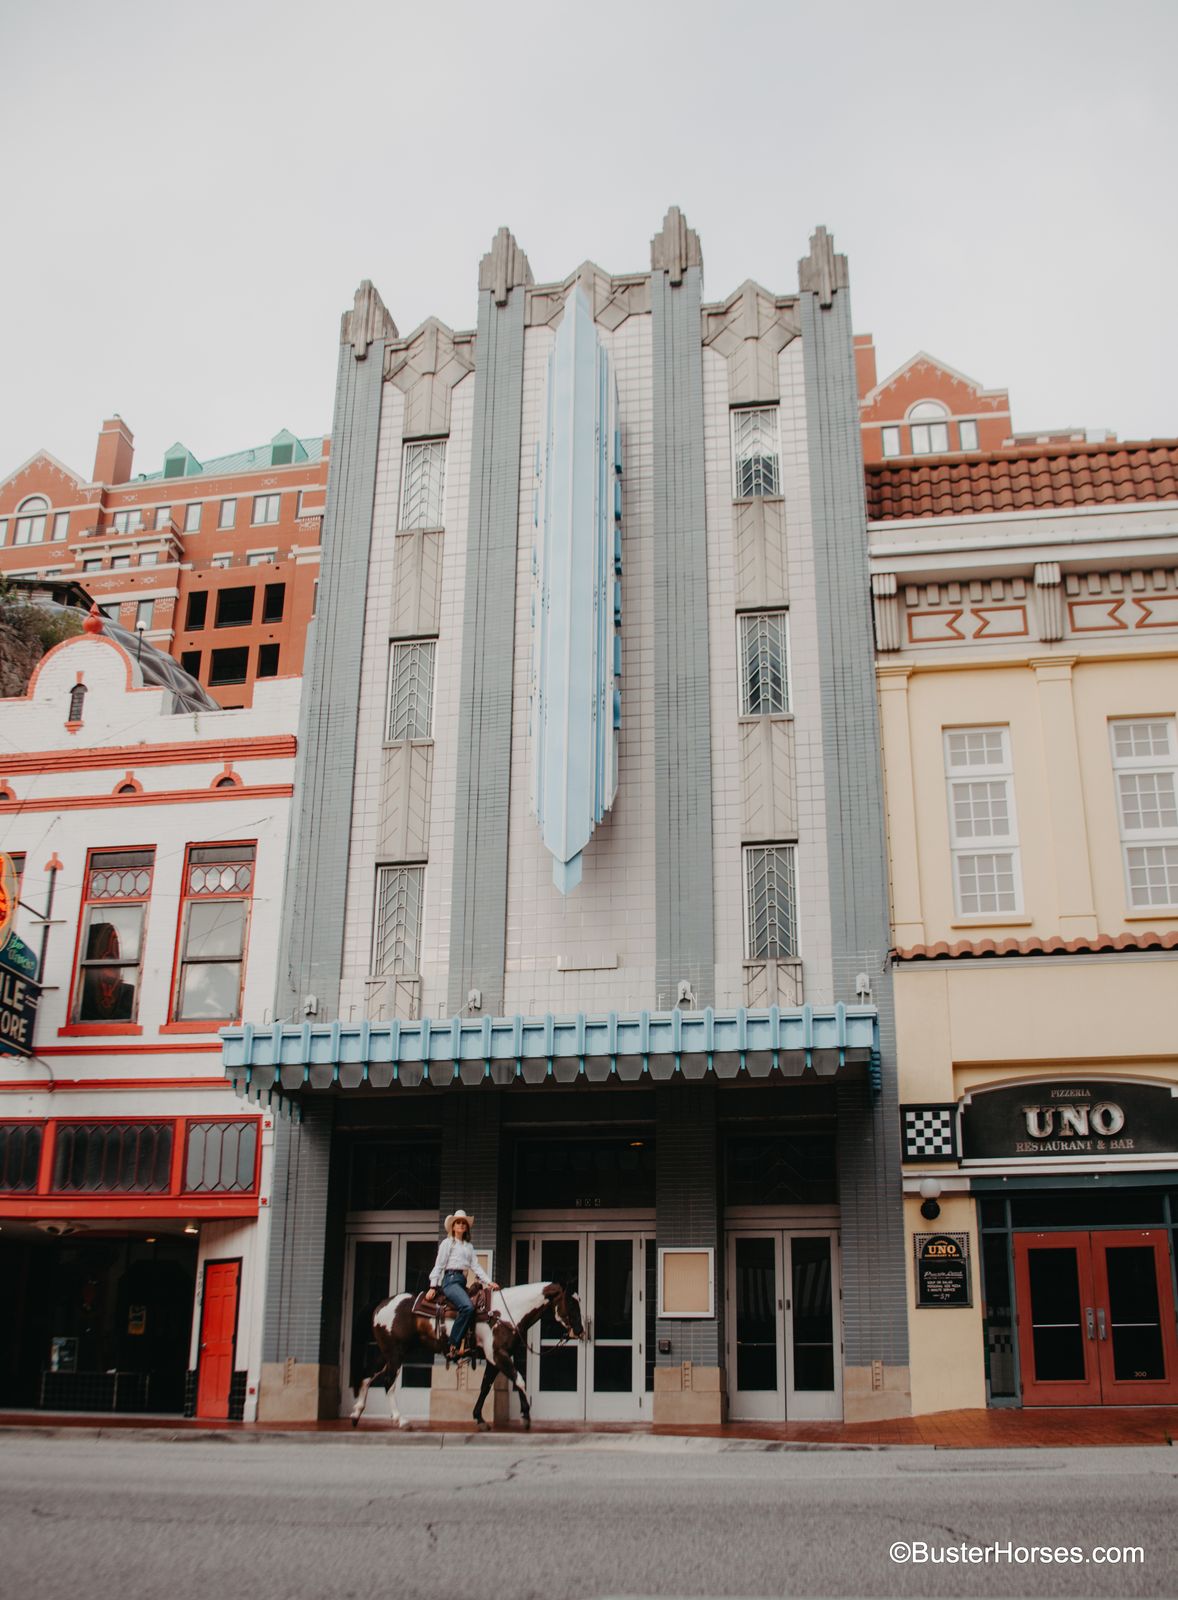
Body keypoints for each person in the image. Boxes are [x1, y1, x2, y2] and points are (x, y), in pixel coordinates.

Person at [428, 1209, 499, 1363]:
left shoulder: (469, 1247)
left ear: (466, 1227)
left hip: (461, 1282)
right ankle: (452, 1344)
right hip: (450, 1280)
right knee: (467, 1307)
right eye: (458, 1223)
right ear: (453, 1226)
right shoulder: (447, 1243)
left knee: (477, 1306)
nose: (461, 1225)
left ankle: (467, 1344)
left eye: (463, 1223)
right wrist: (433, 1286)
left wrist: (488, 1282)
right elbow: (439, 1265)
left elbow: (476, 1267)